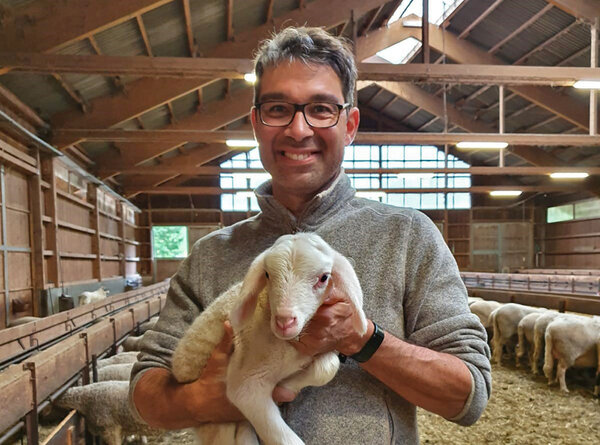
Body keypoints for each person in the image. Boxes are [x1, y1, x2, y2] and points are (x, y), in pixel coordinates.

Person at [129, 26, 491, 443]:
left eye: (321, 109)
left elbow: (468, 396)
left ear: (350, 124)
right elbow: (145, 389)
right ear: (256, 123)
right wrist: (202, 400)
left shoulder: (408, 237)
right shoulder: (211, 254)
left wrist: (364, 339)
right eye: (278, 108)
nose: (298, 130)